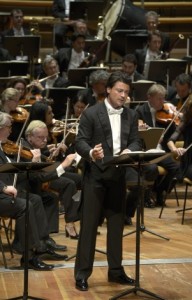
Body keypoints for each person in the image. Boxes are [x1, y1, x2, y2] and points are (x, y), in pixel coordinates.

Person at [74, 71, 142, 291]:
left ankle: (115, 271)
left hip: (118, 176)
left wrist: (130, 150)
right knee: (89, 227)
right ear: (109, 90)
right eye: (120, 91)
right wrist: (91, 153)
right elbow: (80, 142)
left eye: (126, 92)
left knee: (116, 227)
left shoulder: (130, 115)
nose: (123, 96)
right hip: (95, 177)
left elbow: (136, 141)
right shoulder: (91, 113)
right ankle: (82, 274)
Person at [0, 112, 68, 270]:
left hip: (7, 191)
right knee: (25, 206)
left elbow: (12, 170)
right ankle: (28, 254)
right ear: (1, 128)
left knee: (35, 199)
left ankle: (40, 247)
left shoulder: (2, 147)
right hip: (2, 193)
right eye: (9, 128)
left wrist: (32, 163)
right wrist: (3, 187)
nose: (11, 131)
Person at [24, 117, 81, 239]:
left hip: (45, 173)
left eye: (46, 137)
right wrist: (64, 164)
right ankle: (69, 223)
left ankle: (75, 216)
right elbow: (40, 175)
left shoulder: (34, 145)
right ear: (29, 137)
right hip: (37, 183)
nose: (45, 140)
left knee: (81, 180)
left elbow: (42, 161)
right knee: (69, 184)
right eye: (41, 138)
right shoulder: (24, 149)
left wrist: (49, 152)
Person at [136, 83, 181, 206]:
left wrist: (176, 119)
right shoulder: (140, 111)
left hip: (161, 151)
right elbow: (135, 134)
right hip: (146, 151)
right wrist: (143, 130)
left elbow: (171, 135)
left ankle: (159, 191)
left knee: (177, 168)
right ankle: (145, 195)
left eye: (163, 98)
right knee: (151, 169)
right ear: (149, 97)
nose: (162, 102)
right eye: (159, 98)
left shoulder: (167, 112)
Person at [167, 93, 192, 225]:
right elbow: (171, 140)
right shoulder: (185, 123)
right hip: (190, 163)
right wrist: (175, 149)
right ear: (191, 109)